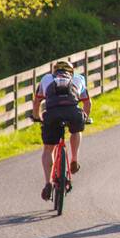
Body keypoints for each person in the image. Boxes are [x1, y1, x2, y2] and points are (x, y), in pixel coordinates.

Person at [34, 59, 92, 201]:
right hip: (72, 112)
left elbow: (37, 101)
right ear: (71, 72)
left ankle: (48, 183)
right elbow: (87, 102)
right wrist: (85, 117)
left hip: (52, 114)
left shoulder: (46, 79)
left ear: (55, 71)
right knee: (76, 130)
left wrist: (37, 117)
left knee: (48, 149)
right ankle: (74, 159)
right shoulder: (78, 78)